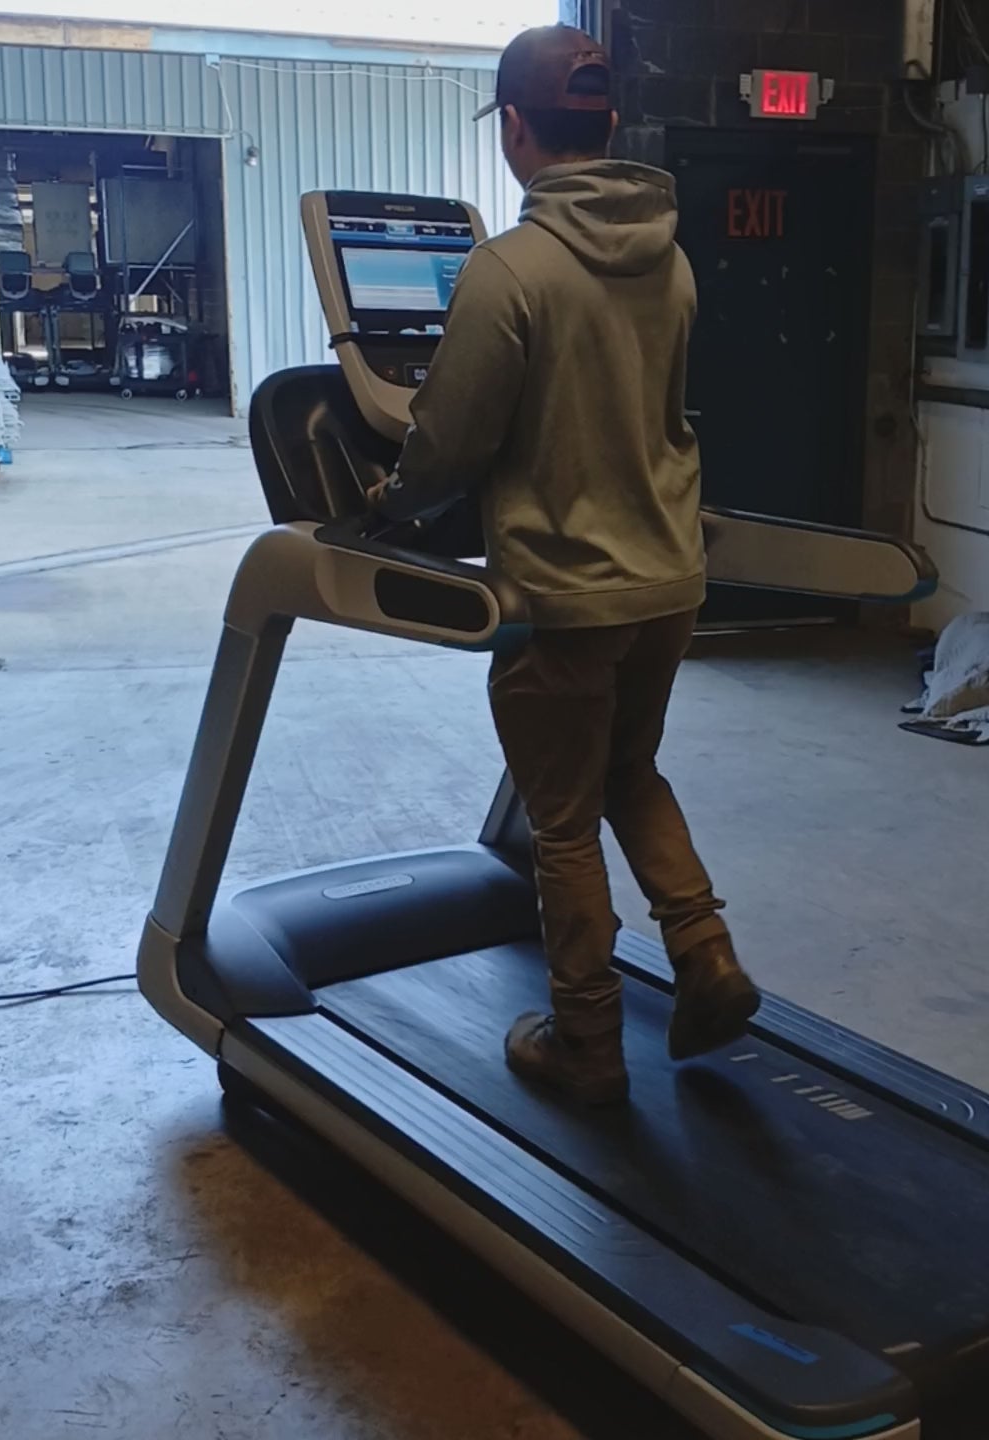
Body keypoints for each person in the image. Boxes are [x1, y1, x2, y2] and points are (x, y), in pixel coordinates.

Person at [366, 24, 759, 1106]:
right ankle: (705, 954)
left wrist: (388, 504)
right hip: (667, 577)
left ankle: (585, 1038)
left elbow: (450, 441)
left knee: (563, 819)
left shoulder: (510, 269)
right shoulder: (670, 259)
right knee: (631, 768)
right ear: (612, 124)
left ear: (516, 129)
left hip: (565, 592)